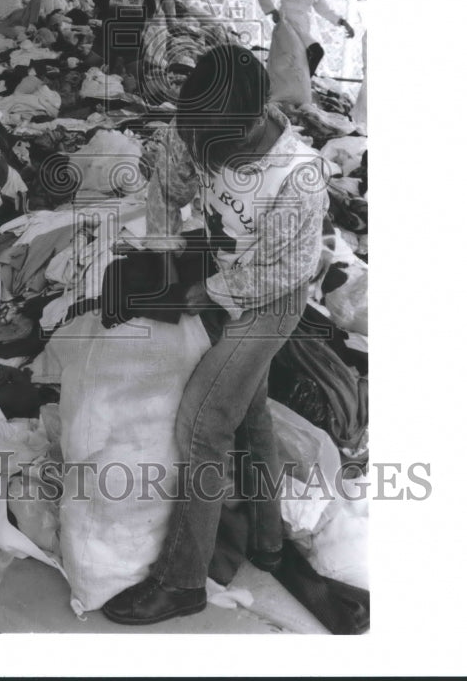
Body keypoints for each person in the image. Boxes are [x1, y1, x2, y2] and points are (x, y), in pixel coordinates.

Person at [102, 43, 329, 626]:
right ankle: (268, 541)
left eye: (213, 145)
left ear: (252, 122)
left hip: (272, 296)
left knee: (203, 423)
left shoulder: (297, 178)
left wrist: (197, 294)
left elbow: (274, 275)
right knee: (246, 411)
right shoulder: (197, 126)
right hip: (222, 266)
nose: (199, 151)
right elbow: (166, 193)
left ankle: (181, 583)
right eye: (193, 135)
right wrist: (162, 258)